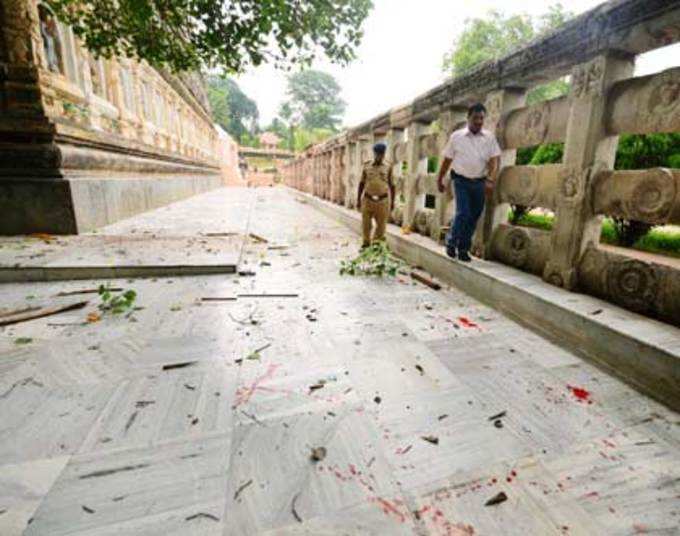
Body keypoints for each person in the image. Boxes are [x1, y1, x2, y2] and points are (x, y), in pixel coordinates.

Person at [437, 103, 501, 262]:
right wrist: (440, 177)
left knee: (474, 216)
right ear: (468, 118)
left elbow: (494, 161)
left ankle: (464, 249)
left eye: (481, 118)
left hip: (480, 182)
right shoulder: (456, 137)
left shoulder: (489, 138)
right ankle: (451, 242)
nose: (479, 121)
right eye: (475, 118)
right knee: (463, 213)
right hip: (460, 180)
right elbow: (447, 159)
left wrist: (491, 179)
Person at [358, 142, 394, 248]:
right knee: (366, 225)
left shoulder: (388, 166)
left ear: (384, 154)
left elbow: (392, 185)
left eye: (382, 154)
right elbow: (361, 183)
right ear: (374, 153)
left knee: (381, 226)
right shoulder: (366, 165)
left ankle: (375, 246)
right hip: (367, 199)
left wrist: (392, 203)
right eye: (378, 154)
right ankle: (366, 244)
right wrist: (358, 200)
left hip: (383, 201)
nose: (380, 156)